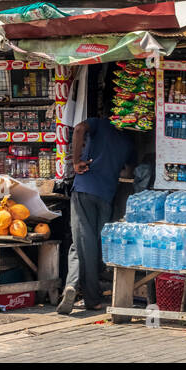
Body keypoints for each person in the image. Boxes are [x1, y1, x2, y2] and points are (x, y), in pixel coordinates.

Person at [59, 115, 136, 314]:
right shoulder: (128, 141)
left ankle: (80, 291)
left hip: (85, 189)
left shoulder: (100, 124)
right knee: (93, 246)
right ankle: (82, 292)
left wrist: (76, 162)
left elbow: (77, 129)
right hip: (106, 195)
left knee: (82, 245)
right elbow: (127, 172)